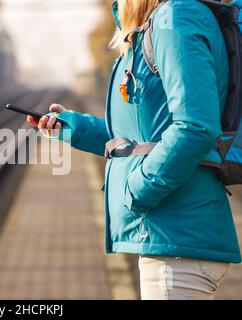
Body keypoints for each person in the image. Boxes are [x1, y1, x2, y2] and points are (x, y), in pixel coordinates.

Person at [28, 0, 241, 300]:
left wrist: (137, 190)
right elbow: (137, 139)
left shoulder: (175, 18)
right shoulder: (160, 24)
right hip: (169, 237)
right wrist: (71, 126)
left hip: (175, 239)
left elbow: (196, 127)